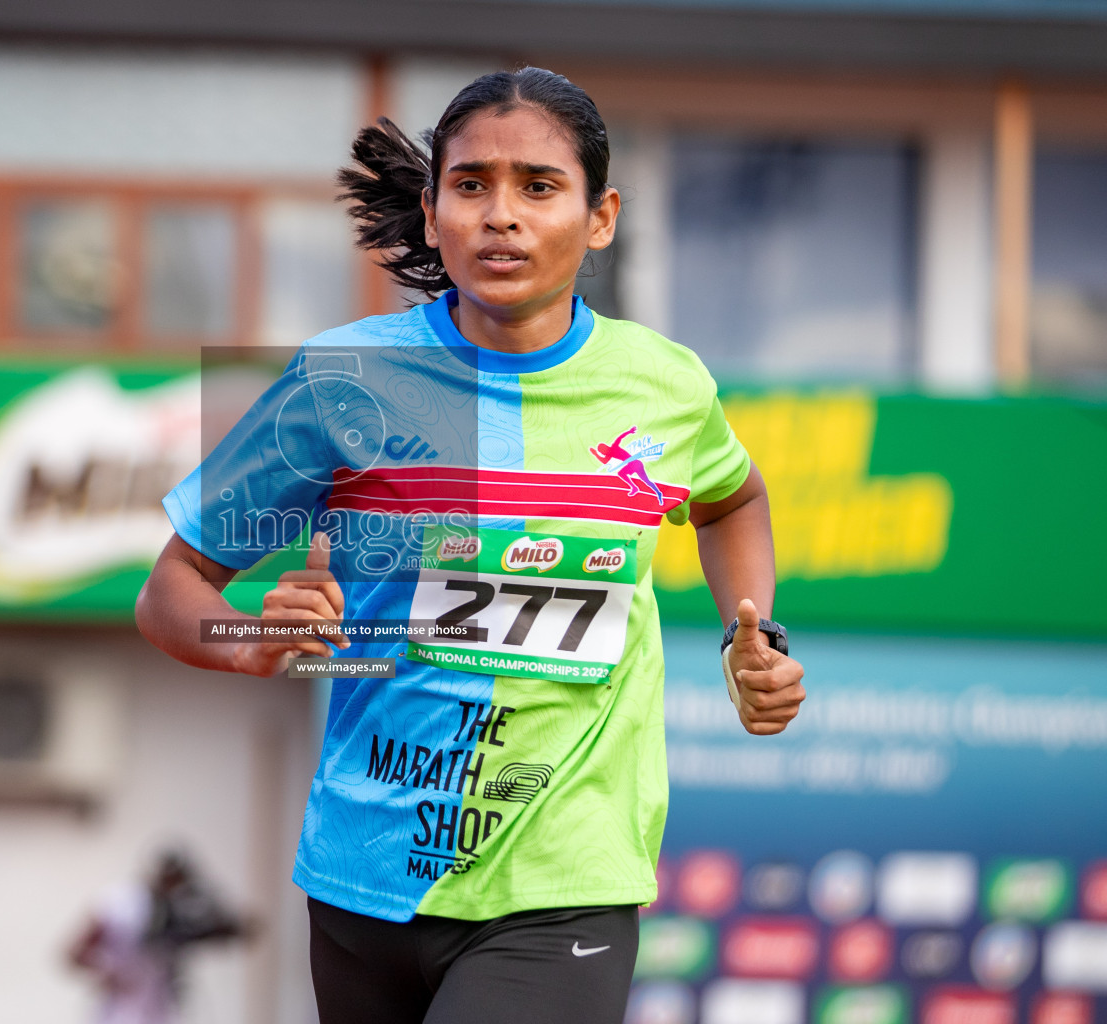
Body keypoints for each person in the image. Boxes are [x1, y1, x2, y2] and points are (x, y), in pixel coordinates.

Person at [136, 67, 806, 1024]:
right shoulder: (344, 381)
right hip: (364, 883)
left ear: (601, 216)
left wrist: (757, 635)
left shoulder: (665, 386)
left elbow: (733, 500)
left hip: (562, 877)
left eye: (539, 186)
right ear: (432, 206)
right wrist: (254, 639)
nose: (502, 216)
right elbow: (173, 588)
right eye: (472, 185)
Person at [67, 850, 250, 1024]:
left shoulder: (181, 907)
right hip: (120, 1013)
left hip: (158, 1011)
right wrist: (111, 972)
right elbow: (74, 952)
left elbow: (235, 931)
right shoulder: (124, 902)